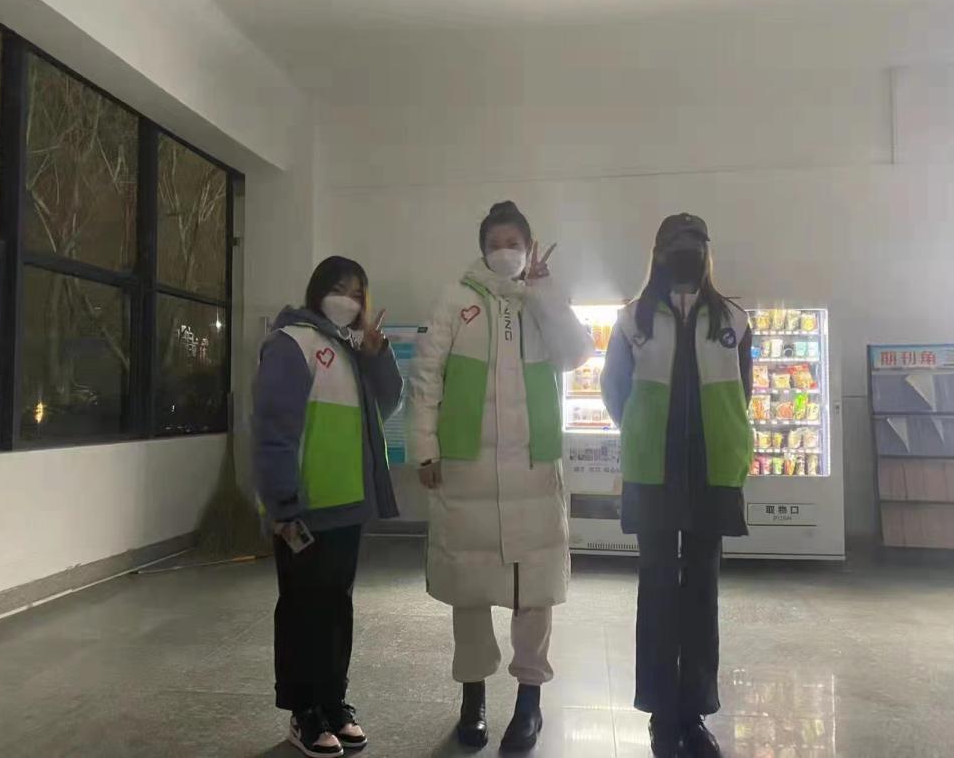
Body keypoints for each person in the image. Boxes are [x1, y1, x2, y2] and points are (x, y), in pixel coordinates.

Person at [408, 201, 593, 751]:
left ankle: (529, 703)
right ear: (482, 249)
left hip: (534, 471)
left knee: (534, 594)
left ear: (531, 248)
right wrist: (425, 449)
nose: (505, 251)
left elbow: (577, 354)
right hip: (466, 472)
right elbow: (426, 376)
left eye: (515, 242)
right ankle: (473, 699)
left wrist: (544, 292)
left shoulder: (542, 298)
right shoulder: (456, 299)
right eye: (496, 242)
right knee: (469, 591)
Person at [601, 214, 752, 758]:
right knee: (658, 592)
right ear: (658, 253)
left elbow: (743, 392)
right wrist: (644, 432)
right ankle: (662, 715)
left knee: (703, 594)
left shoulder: (733, 319)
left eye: (695, 244)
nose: (686, 253)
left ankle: (695, 713)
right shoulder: (631, 320)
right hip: (653, 472)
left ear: (707, 253)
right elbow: (614, 390)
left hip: (713, 472)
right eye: (676, 245)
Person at [253, 256, 402, 758]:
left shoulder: (352, 349)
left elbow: (388, 402)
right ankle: (304, 712)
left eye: (358, 293)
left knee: (336, 608)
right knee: (302, 609)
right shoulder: (290, 343)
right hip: (304, 509)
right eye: (340, 288)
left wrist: (378, 355)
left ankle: (334, 703)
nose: (349, 300)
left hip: (347, 505)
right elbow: (273, 431)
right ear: (317, 290)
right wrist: (282, 504)